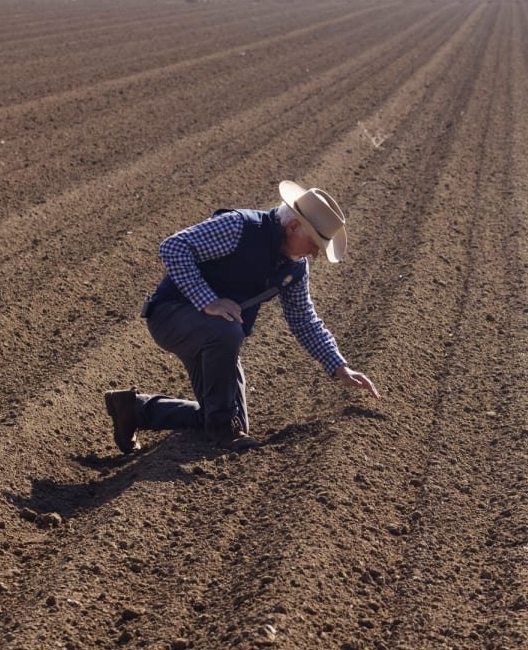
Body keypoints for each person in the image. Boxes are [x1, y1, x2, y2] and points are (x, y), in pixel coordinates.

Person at [105, 180, 380, 452]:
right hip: (172, 316)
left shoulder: (295, 269)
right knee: (226, 368)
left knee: (231, 418)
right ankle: (222, 427)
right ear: (293, 226)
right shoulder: (241, 227)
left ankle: (134, 409)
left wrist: (340, 367)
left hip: (216, 333)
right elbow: (174, 247)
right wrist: (208, 300)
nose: (316, 253)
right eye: (314, 242)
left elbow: (304, 320)